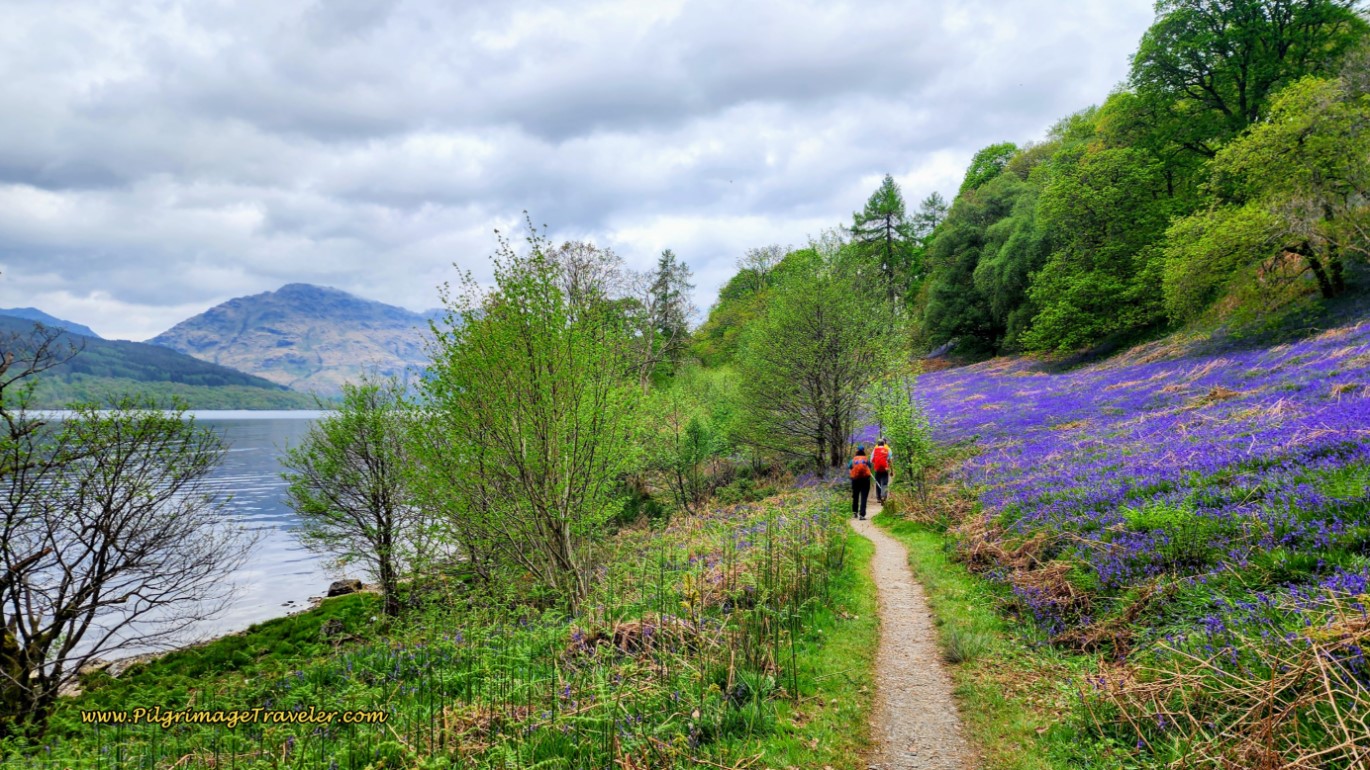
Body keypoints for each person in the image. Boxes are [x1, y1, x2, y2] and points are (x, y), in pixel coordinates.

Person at [849, 446, 872, 520]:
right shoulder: (866, 459)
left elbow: (850, 467)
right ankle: (862, 515)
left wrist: (852, 476)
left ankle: (855, 512)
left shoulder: (853, 460)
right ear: (864, 451)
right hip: (865, 480)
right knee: (864, 497)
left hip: (855, 480)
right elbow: (870, 467)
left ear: (857, 451)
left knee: (855, 496)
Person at [871, 438, 893, 504]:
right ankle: (883, 496)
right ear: (884, 444)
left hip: (877, 469)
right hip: (885, 469)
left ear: (877, 444)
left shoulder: (875, 450)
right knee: (884, 483)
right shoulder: (887, 450)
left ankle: (878, 498)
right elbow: (890, 460)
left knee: (878, 483)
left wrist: (876, 465)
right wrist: (892, 470)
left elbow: (871, 460)